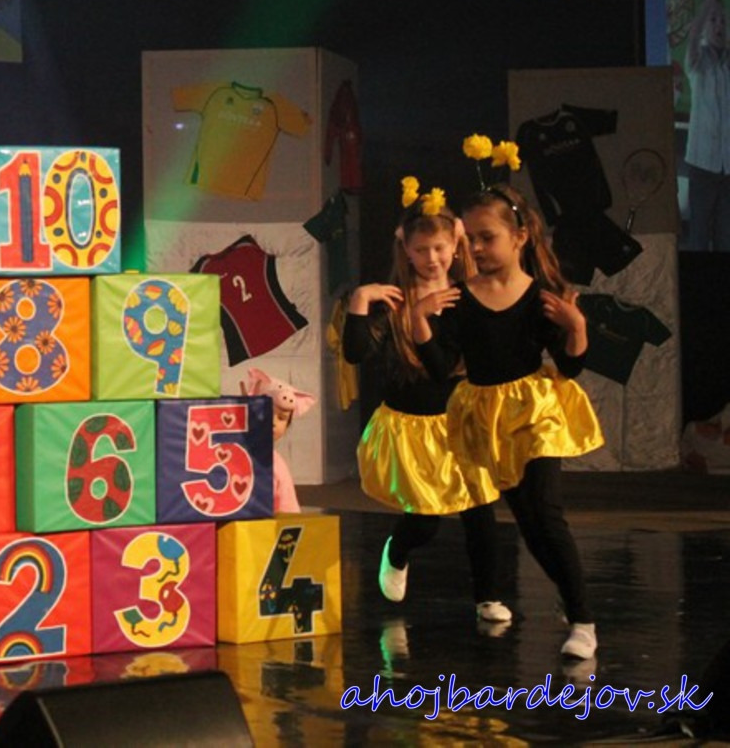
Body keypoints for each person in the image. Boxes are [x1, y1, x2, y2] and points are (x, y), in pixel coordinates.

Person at [413, 182, 604, 659]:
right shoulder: (459, 300)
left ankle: (584, 620)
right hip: (486, 416)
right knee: (528, 521)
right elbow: (441, 368)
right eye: (471, 239)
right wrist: (419, 322)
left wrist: (577, 327)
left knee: (545, 510)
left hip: (533, 411)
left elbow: (570, 366)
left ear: (519, 237)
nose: (477, 249)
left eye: (488, 237)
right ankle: (568, 594)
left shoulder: (541, 298)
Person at [344, 178, 510, 624]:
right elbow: (356, 353)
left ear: (455, 244)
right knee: (425, 519)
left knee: (479, 510)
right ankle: (397, 551)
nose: (432, 258)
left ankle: (488, 596)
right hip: (411, 425)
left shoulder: (467, 296)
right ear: (406, 249)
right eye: (421, 250)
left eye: (440, 248)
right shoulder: (392, 301)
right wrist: (361, 299)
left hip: (458, 421)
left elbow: (457, 363)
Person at [683, 0, 730, 251]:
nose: (719, 26)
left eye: (723, 21)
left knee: (726, 239)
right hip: (702, 166)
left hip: (728, 169)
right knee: (699, 237)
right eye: (714, 20)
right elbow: (692, 33)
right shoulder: (697, 62)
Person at [240, 367, 312, 514]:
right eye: (267, 413)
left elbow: (288, 511)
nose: (273, 422)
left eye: (281, 418)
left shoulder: (277, 466)